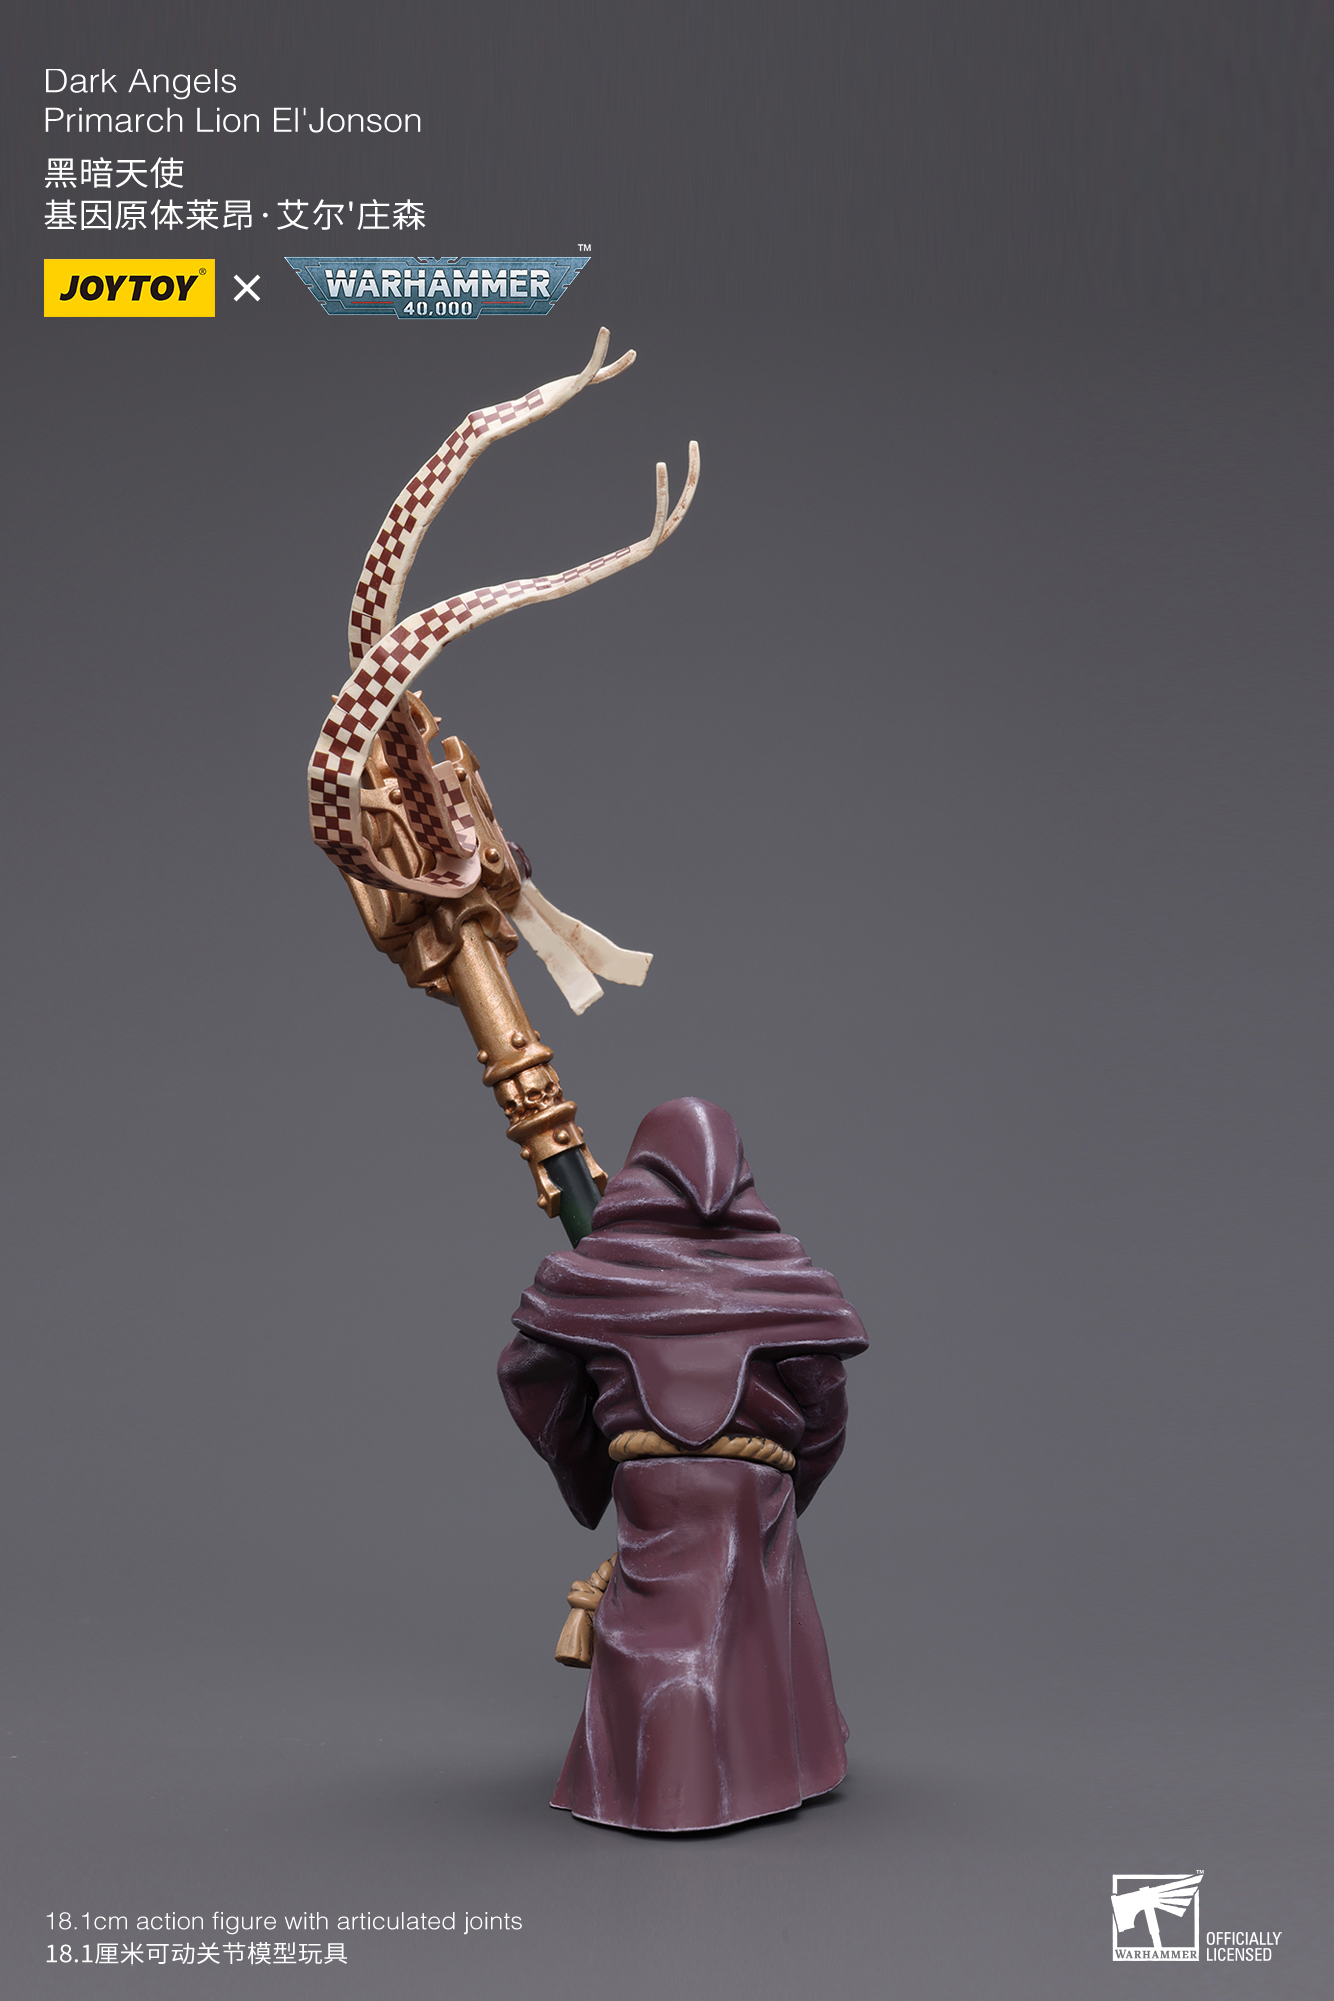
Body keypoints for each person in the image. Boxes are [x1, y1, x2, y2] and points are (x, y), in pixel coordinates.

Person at [497, 1097, 868, 1832]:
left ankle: (653, 1789)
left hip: (651, 1479)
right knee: (744, 1633)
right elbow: (825, 1403)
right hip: (751, 1483)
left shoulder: (594, 1274)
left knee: (655, 1634)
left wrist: (592, 1442)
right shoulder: (784, 1277)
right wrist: (791, 1478)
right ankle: (753, 1776)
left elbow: (528, 1372)